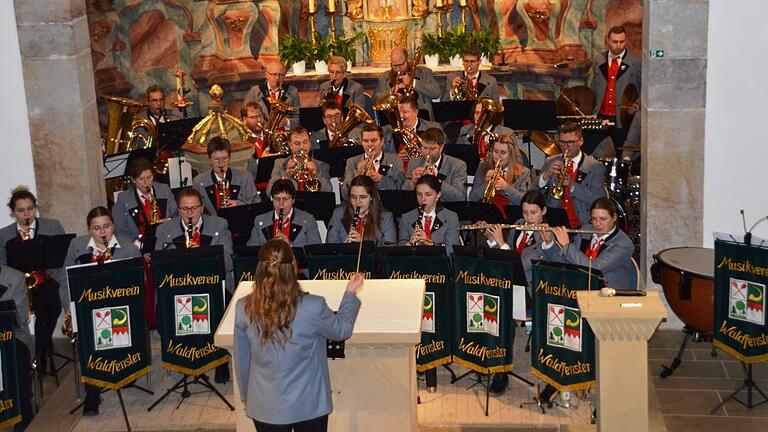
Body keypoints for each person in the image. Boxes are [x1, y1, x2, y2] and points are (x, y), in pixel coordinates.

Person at [234, 240, 363, 432]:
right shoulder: (313, 306)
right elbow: (342, 330)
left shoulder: (244, 307)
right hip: (309, 405)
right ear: (294, 266)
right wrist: (350, 294)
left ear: (260, 268)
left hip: (264, 405)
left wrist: (247, 397)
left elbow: (242, 360)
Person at [64, 206, 141, 416]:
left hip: (120, 306)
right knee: (89, 342)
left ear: (113, 226)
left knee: (123, 333)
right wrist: (68, 306)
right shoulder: (77, 245)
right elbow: (65, 278)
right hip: (87, 306)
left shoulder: (128, 247)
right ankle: (92, 392)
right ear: (89, 230)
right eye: (96, 228)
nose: (103, 232)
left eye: (106, 226)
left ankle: (125, 372)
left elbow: (138, 280)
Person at [155, 187, 235, 384]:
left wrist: (202, 255)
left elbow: (228, 262)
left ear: (202, 207)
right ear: (178, 210)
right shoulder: (165, 230)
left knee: (219, 306)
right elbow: (159, 265)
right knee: (166, 308)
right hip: (180, 286)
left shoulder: (219, 224)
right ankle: (183, 357)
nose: (189, 213)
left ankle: (221, 362)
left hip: (213, 285)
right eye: (184, 209)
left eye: (194, 208)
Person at [542, 197, 635, 290]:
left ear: (614, 217)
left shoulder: (623, 244)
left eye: (603, 219)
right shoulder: (586, 230)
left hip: (609, 296)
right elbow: (568, 262)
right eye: (594, 219)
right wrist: (549, 242)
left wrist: (567, 245)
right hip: (580, 289)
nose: (598, 224)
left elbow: (594, 269)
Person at [533, 122, 605, 228]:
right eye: (562, 142)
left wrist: (573, 185)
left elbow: (598, 200)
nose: (565, 147)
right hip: (554, 224)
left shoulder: (595, 167)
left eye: (570, 142)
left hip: (582, 225)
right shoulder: (551, 161)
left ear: (581, 141)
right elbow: (532, 194)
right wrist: (546, 176)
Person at [590, 26, 641, 150]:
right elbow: (593, 86)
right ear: (607, 40)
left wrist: (637, 104)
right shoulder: (598, 59)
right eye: (615, 42)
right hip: (601, 116)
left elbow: (644, 88)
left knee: (622, 154)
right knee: (593, 151)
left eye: (622, 42)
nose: (618, 45)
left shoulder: (636, 61)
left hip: (622, 119)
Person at [113, 158, 177, 252]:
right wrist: (140, 247)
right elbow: (119, 231)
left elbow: (176, 215)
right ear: (133, 179)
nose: (146, 183)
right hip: (139, 248)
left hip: (166, 242)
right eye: (141, 179)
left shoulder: (164, 190)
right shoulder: (123, 199)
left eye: (149, 177)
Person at [193, 137, 260, 215]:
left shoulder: (245, 177)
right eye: (216, 159)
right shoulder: (198, 181)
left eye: (224, 158)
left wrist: (238, 204)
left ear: (229, 158)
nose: (221, 163)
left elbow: (256, 203)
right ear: (210, 160)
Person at [247, 180, 322, 247]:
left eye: (285, 199)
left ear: (293, 200)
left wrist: (291, 245)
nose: (281, 203)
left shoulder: (308, 219)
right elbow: (251, 251)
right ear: (272, 199)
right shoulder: (260, 220)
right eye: (277, 199)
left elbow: (315, 249)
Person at [340, 123, 405, 200]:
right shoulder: (352, 162)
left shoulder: (395, 160)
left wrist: (381, 179)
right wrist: (357, 176)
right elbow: (344, 194)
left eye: (373, 140)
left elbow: (401, 188)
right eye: (366, 141)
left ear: (382, 141)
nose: (369, 144)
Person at [373, 46, 441, 119]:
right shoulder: (384, 77)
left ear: (407, 60)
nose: (397, 69)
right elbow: (375, 99)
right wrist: (391, 92)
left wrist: (413, 82)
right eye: (394, 66)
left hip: (421, 118)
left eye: (400, 65)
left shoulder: (424, 73)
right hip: (394, 119)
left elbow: (436, 93)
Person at [327, 175, 397, 246]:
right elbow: (331, 247)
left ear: (372, 197)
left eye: (363, 197)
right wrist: (344, 249)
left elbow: (389, 249)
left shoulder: (386, 218)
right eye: (353, 197)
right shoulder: (338, 214)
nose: (357, 202)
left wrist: (364, 245)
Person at [403, 128, 467, 202]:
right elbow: (404, 194)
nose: (427, 152)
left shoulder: (457, 165)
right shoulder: (414, 163)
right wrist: (413, 183)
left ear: (441, 148)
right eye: (425, 147)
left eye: (432, 149)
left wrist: (436, 180)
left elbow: (460, 197)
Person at [398, 175, 460, 251]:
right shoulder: (406, 217)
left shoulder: (451, 217)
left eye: (428, 194)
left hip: (440, 261)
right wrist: (409, 245)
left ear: (438, 194)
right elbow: (400, 246)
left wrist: (431, 244)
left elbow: (452, 249)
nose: (423, 199)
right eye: (419, 194)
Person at [469, 134, 530, 207]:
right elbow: (472, 198)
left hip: (510, 215)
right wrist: (487, 185)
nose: (498, 156)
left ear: (511, 154)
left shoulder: (524, 172)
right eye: (496, 151)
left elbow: (525, 202)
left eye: (503, 152)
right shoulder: (483, 167)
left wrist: (505, 188)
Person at [268, 126, 333, 193]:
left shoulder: (322, 165)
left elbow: (329, 190)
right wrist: (286, 177)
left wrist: (315, 174)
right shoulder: (279, 163)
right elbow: (269, 192)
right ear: (290, 145)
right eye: (297, 143)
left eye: (305, 142)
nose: (302, 147)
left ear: (310, 143)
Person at [244, 61, 300, 127]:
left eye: (280, 75)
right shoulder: (255, 91)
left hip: (283, 133)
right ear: (266, 75)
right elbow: (244, 115)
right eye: (274, 74)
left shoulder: (292, 91)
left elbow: (298, 118)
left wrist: (286, 122)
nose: (277, 78)